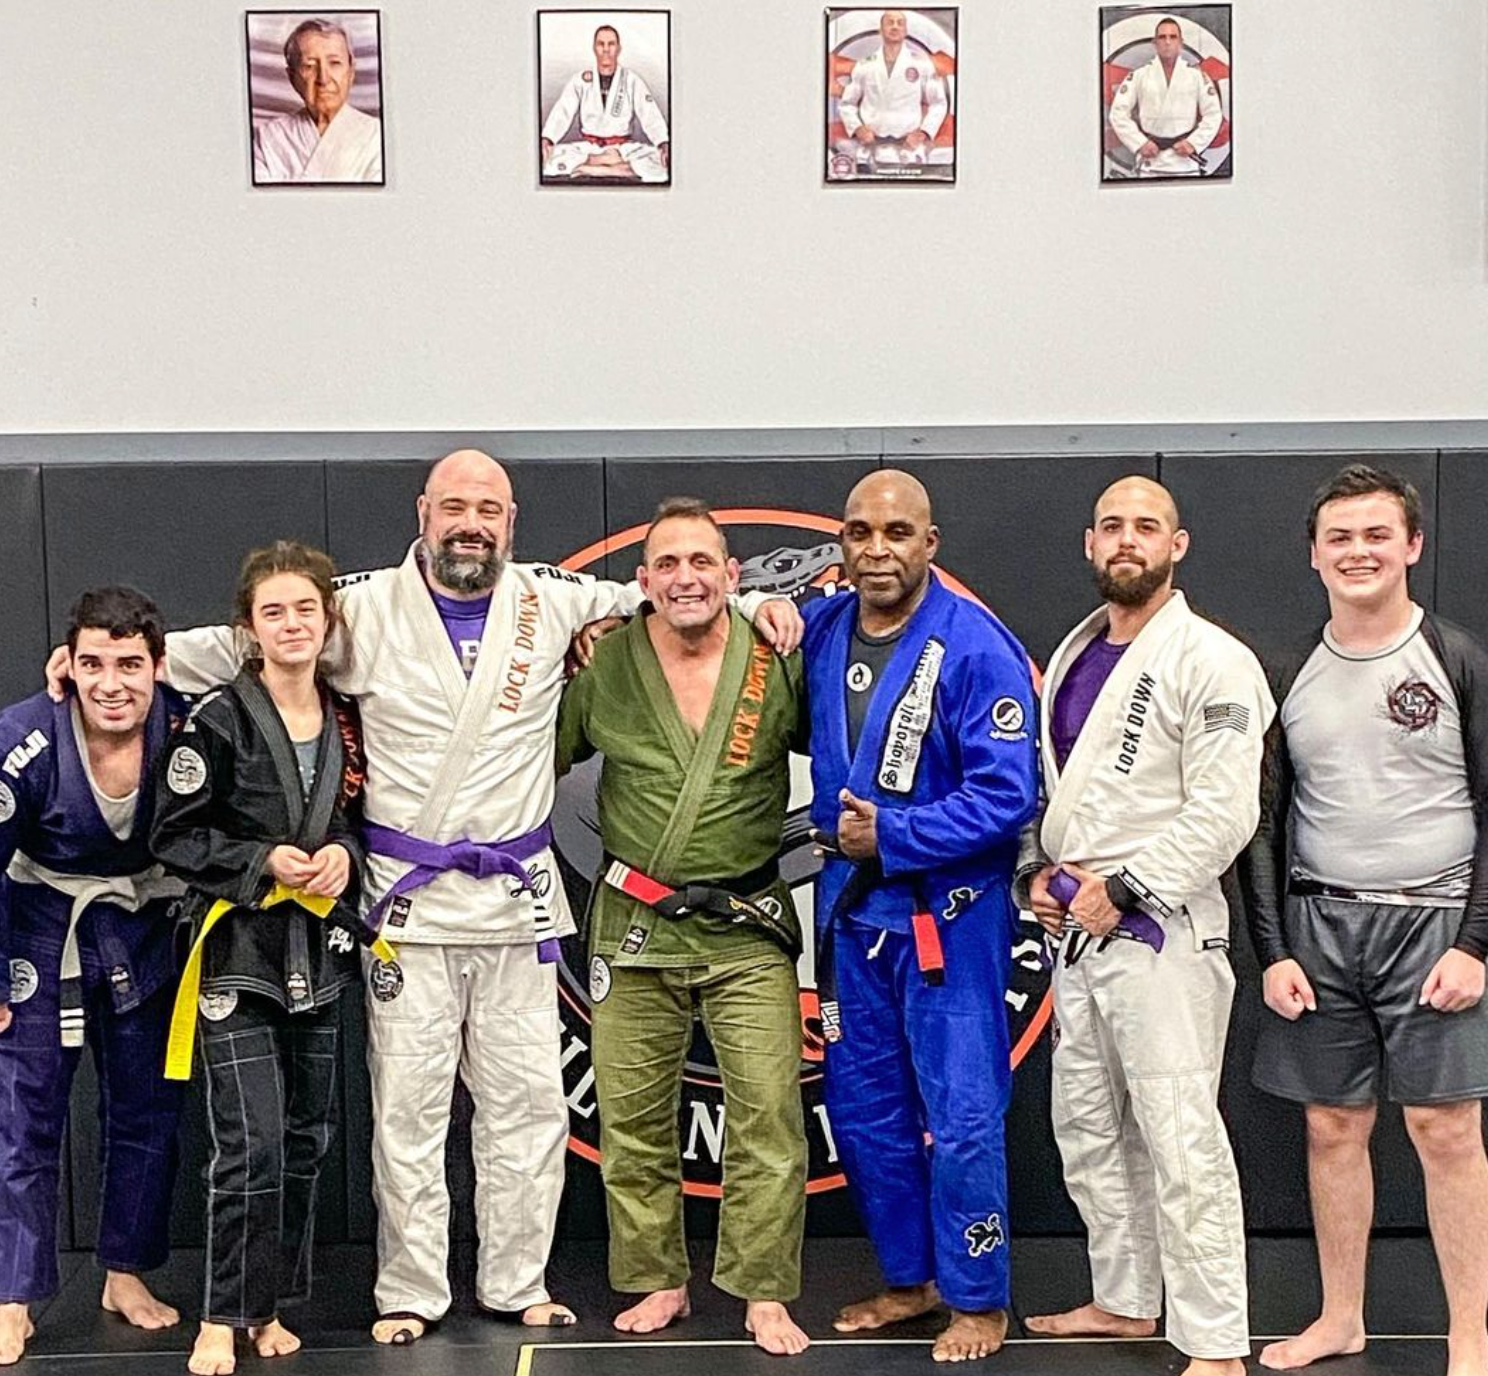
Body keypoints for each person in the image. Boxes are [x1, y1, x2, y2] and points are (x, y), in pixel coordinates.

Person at [46, 449, 801, 1344]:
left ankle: (519, 1279)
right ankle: (410, 1289)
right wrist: (134, 664)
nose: (470, 522)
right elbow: (242, 641)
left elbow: (669, 596)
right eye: (454, 506)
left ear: (510, 521)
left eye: (487, 507)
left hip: (517, 905)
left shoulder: (549, 599)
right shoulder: (360, 611)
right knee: (407, 1110)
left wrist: (764, 603)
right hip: (409, 906)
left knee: (528, 1106)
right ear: (424, 513)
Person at [1019, 476, 1272, 1376]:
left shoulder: (1214, 658)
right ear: (1091, 543)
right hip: (1079, 934)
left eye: (1148, 527)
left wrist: (1124, 886)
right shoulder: (1079, 653)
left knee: (1179, 1133)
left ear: (1180, 544)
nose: (1129, 540)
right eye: (1114, 526)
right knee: (1088, 1127)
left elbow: (1224, 812)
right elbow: (1059, 802)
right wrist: (1037, 877)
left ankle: (1214, 1341)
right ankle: (1125, 1298)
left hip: (1161, 930)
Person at [1241, 465, 1488, 1376]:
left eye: (1377, 535)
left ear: (1413, 546)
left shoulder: (1456, 660)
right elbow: (1260, 825)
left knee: (1446, 1129)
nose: (1359, 552)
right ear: (1314, 556)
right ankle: (1342, 1316)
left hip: (1436, 929)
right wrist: (1273, 951)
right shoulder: (1287, 673)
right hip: (1322, 928)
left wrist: (1475, 944)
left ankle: (1471, 1337)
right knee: (1332, 1128)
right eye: (1340, 538)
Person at [556, 498, 811, 1356]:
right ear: (643, 581)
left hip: (745, 925)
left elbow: (851, 742)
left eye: (702, 562)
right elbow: (528, 761)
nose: (686, 578)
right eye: (667, 564)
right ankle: (659, 1277)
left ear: (732, 576)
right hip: (636, 921)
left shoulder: (776, 657)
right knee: (631, 1117)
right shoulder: (607, 663)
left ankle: (764, 1289)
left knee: (769, 1113)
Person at [802, 470, 1037, 1364]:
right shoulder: (823, 629)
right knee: (865, 1115)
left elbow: (1009, 792)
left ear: (929, 544)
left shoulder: (975, 647)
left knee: (964, 1116)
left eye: (897, 533)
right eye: (860, 533)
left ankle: (979, 1298)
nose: (877, 550)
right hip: (856, 922)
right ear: (843, 544)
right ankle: (913, 1279)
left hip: (949, 919)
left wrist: (895, 833)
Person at [151, 543, 368, 1376]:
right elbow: (174, 834)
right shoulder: (215, 719)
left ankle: (268, 1306)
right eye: (273, 612)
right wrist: (259, 863)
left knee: (309, 1137)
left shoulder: (346, 714)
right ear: (249, 626)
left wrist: (343, 854)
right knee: (252, 1140)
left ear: (326, 620)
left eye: (304, 610)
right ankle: (219, 1315)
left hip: (318, 947)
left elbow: (354, 817)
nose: (291, 625)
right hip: (237, 950)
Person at [0, 588, 186, 1368]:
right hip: (38, 921)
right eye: (94, 664)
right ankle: (11, 1295)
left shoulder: (186, 727)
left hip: (143, 921)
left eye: (130, 665)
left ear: (158, 667)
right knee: (25, 1109)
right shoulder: (23, 740)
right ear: (66, 668)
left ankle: (123, 1272)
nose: (112, 683)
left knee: (147, 1106)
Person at [253, 18, 383, 184]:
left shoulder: (377, 135)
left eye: (335, 63)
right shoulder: (268, 138)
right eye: (309, 66)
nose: (323, 79)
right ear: (292, 77)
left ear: (351, 72)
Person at [540, 24, 670, 182]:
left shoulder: (631, 80)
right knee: (547, 159)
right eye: (601, 44)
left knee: (662, 162)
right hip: (589, 148)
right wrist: (547, 140)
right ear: (594, 48)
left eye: (611, 44)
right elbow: (563, 111)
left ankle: (593, 167)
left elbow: (650, 114)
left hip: (622, 148)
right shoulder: (581, 80)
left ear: (619, 48)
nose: (606, 49)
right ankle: (615, 166)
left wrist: (663, 143)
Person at [1107, 17, 1222, 177]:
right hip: (1150, 163)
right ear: (1155, 43)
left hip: (1185, 164)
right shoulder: (1139, 75)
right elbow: (1118, 114)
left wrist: (1193, 143)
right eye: (1162, 37)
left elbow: (1213, 114)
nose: (1167, 42)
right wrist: (1140, 143)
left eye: (1173, 37)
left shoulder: (1197, 77)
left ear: (1181, 42)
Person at [835, 10, 948, 172]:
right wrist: (858, 128)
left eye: (900, 23)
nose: (895, 27)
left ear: (906, 31)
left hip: (908, 150)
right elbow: (847, 104)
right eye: (890, 22)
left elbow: (939, 103)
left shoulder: (921, 64)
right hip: (871, 150)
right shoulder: (864, 65)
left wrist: (923, 133)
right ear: (880, 30)